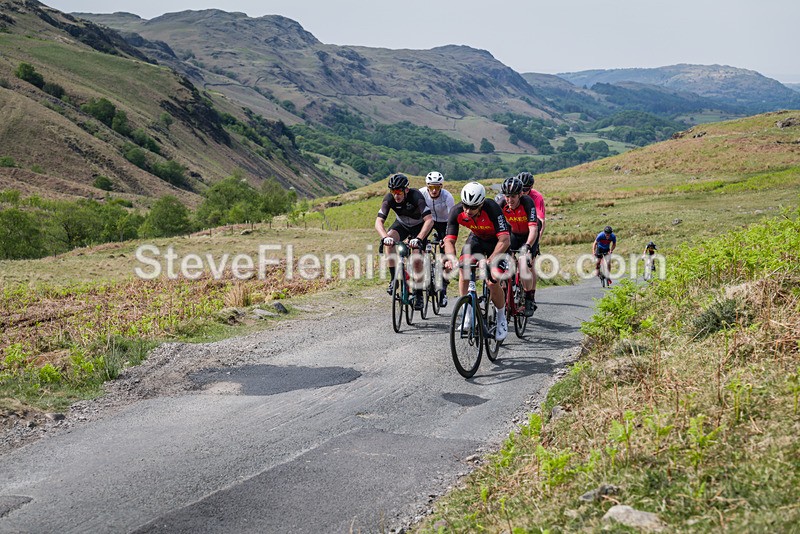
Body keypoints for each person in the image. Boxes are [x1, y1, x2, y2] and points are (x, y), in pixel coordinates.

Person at [442, 182, 510, 341]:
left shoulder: (492, 208)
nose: (467, 211)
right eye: (465, 206)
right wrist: (451, 258)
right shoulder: (456, 211)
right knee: (463, 268)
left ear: (481, 204)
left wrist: (490, 259)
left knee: (493, 281)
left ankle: (501, 317)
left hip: (498, 242)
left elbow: (505, 240)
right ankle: (467, 313)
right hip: (477, 239)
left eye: (472, 208)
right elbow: (449, 240)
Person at [375, 173, 434, 310]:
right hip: (402, 225)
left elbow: (429, 220)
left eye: (399, 192)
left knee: (416, 257)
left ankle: (418, 293)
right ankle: (393, 279)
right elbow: (378, 222)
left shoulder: (416, 196)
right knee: (389, 242)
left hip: (419, 226)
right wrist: (384, 237)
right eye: (393, 192)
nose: (396, 195)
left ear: (406, 190)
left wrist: (419, 239)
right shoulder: (389, 199)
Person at [498, 177, 538, 316]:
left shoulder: (528, 202)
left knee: (523, 263)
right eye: (507, 196)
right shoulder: (501, 204)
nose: (510, 200)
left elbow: (533, 229)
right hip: (513, 235)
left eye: (513, 196)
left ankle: (528, 298)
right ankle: (508, 288)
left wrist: (528, 246)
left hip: (529, 236)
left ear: (520, 194)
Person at [419, 171, 455, 307]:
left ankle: (444, 290)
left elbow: (452, 219)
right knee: (419, 245)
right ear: (427, 186)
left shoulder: (447, 197)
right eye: (431, 187)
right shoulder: (421, 193)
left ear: (441, 186)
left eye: (437, 187)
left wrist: (446, 238)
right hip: (428, 221)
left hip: (444, 223)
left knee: (446, 256)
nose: (434, 190)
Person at [516, 172, 546, 303]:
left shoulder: (536, 197)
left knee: (530, 263)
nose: (523, 192)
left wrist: (536, 241)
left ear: (531, 187)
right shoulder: (514, 194)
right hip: (517, 229)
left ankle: (531, 294)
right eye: (521, 189)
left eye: (526, 189)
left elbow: (541, 221)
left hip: (532, 229)